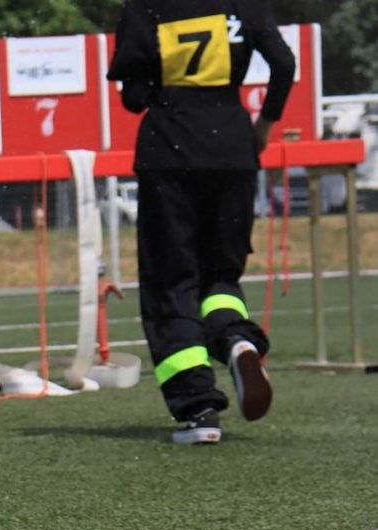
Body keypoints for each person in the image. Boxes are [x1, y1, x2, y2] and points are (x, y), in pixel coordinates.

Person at [107, 0, 295, 443]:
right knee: (221, 276)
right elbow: (283, 64)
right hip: (233, 148)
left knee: (171, 284)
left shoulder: (146, 8)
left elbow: (133, 97)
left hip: (170, 151)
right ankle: (235, 341)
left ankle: (200, 409)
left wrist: (161, 91)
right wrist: (264, 125)